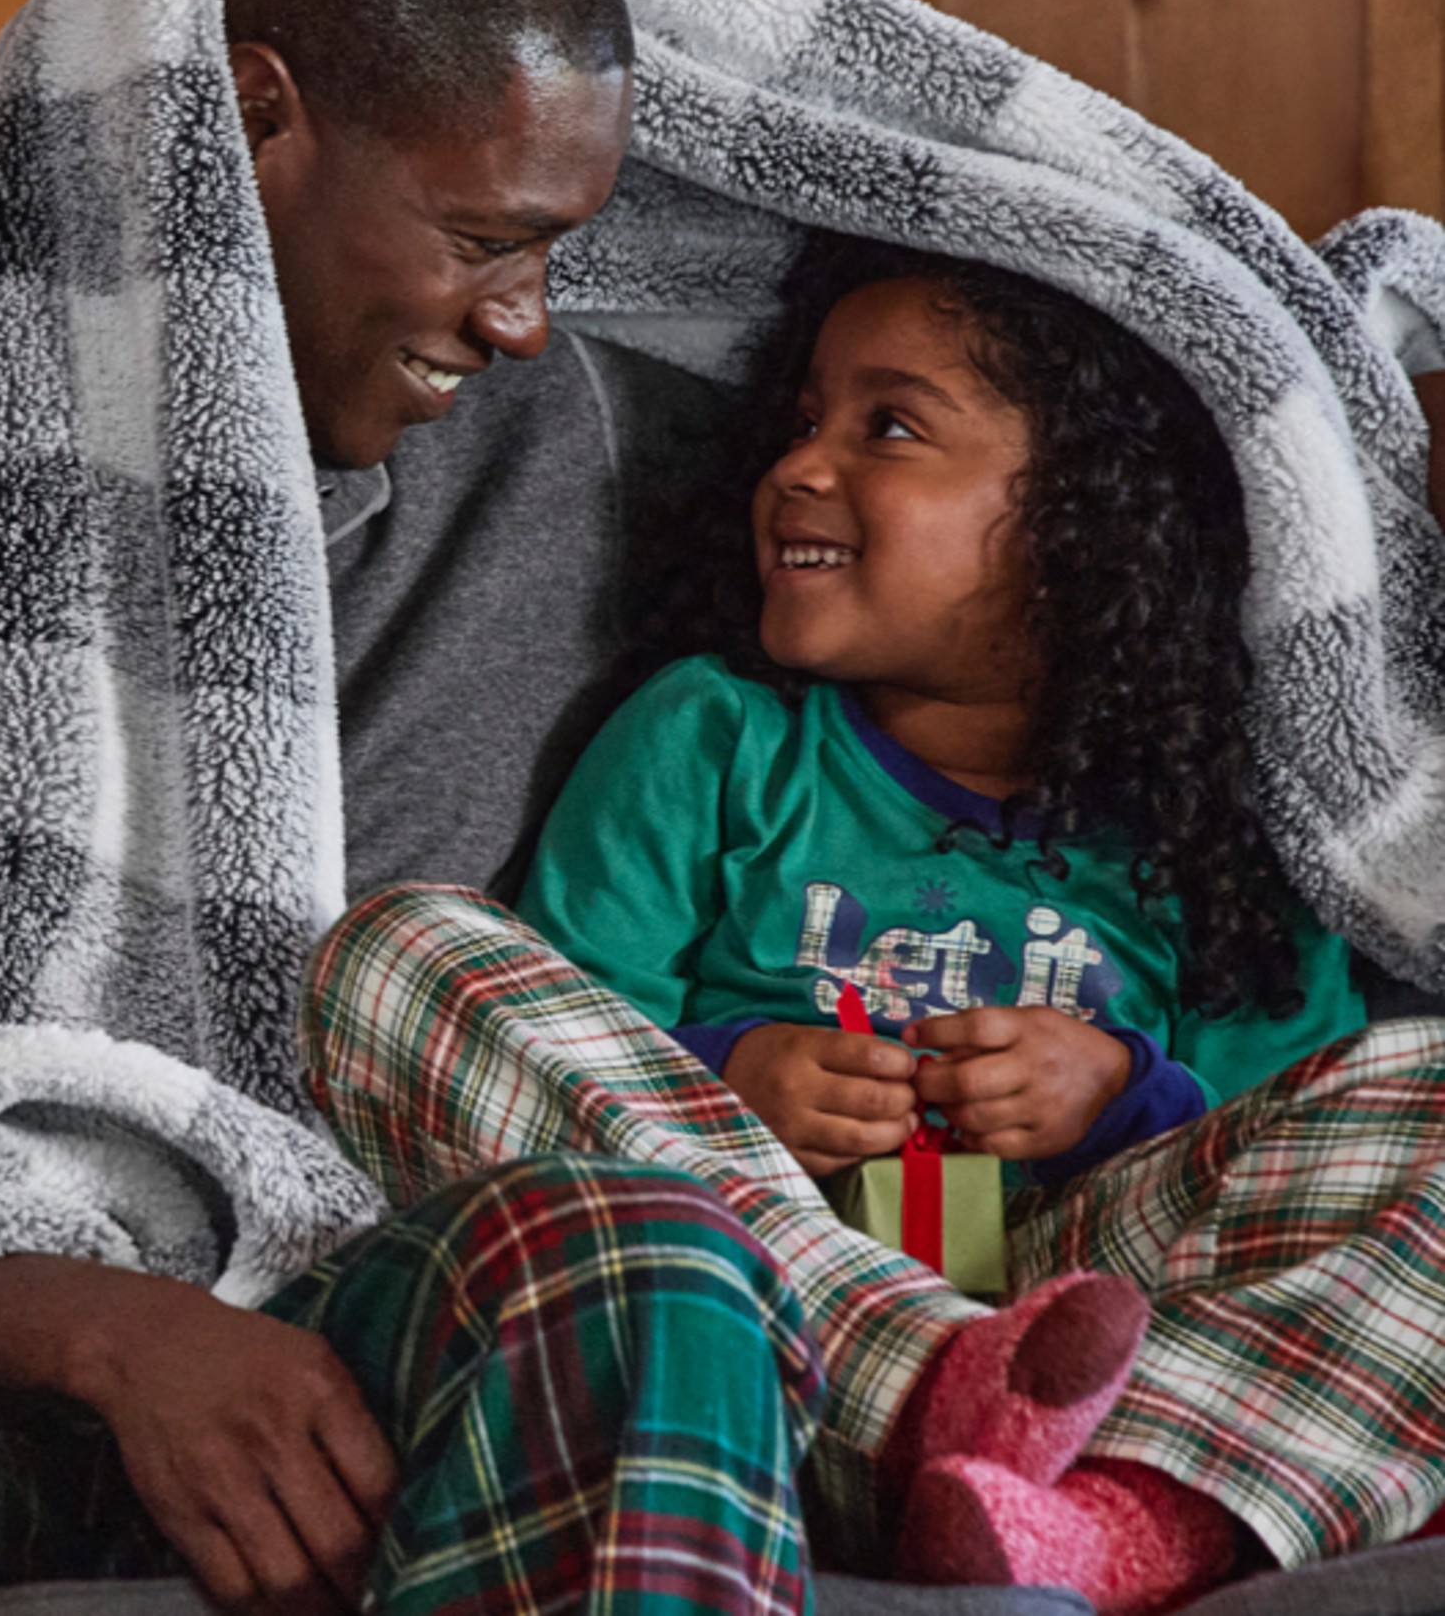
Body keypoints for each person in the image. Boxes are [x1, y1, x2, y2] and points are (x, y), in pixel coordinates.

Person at [0, 0, 829, 1616]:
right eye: (483, 236)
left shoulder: (573, 438)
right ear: (252, 114)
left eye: (555, 251)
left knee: (651, 1263)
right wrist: (106, 1333)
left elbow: (1043, 404)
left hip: (355, 1303)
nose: (522, 319)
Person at [304, 237, 1445, 1610]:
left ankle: (1126, 1521)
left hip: (1085, 1324)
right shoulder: (713, 734)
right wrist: (731, 1071)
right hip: (752, 1318)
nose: (800, 466)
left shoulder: (1203, 832)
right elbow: (572, 1022)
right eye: (803, 421)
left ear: (1088, 517)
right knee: (401, 955)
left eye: (890, 426)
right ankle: (924, 1392)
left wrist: (1126, 1098)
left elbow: (1282, 1143)